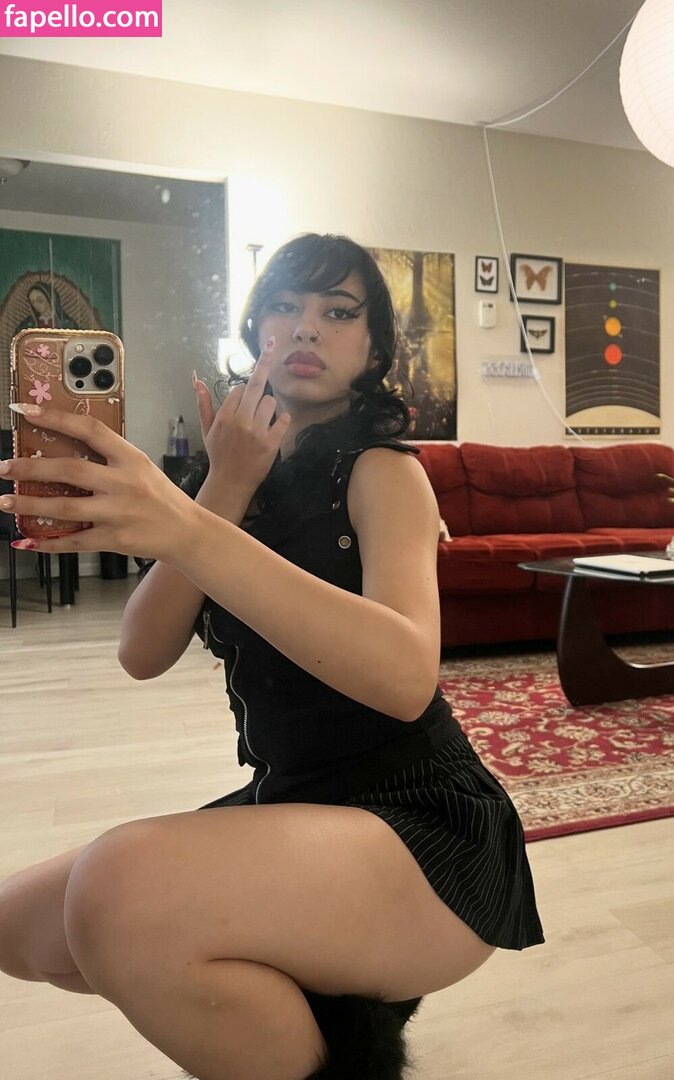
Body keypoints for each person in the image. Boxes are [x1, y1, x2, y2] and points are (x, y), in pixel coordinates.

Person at [0, 233, 545, 1080]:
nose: (306, 327)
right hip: (294, 800)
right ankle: (331, 1028)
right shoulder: (234, 474)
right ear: (256, 332)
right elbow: (142, 650)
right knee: (18, 926)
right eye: (284, 307)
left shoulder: (383, 473)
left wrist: (188, 527)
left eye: (338, 312)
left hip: (419, 822)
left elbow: (407, 679)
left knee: (114, 890)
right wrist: (223, 488)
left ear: (374, 351)